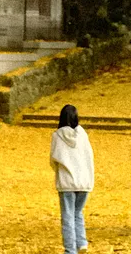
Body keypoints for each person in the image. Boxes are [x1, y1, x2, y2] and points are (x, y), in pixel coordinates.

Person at [49, 103, 94, 254]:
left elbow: (53, 159)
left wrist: (59, 171)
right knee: (78, 213)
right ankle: (81, 242)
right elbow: (89, 156)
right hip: (84, 181)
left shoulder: (57, 136)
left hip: (67, 182)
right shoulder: (83, 135)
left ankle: (70, 250)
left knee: (68, 216)